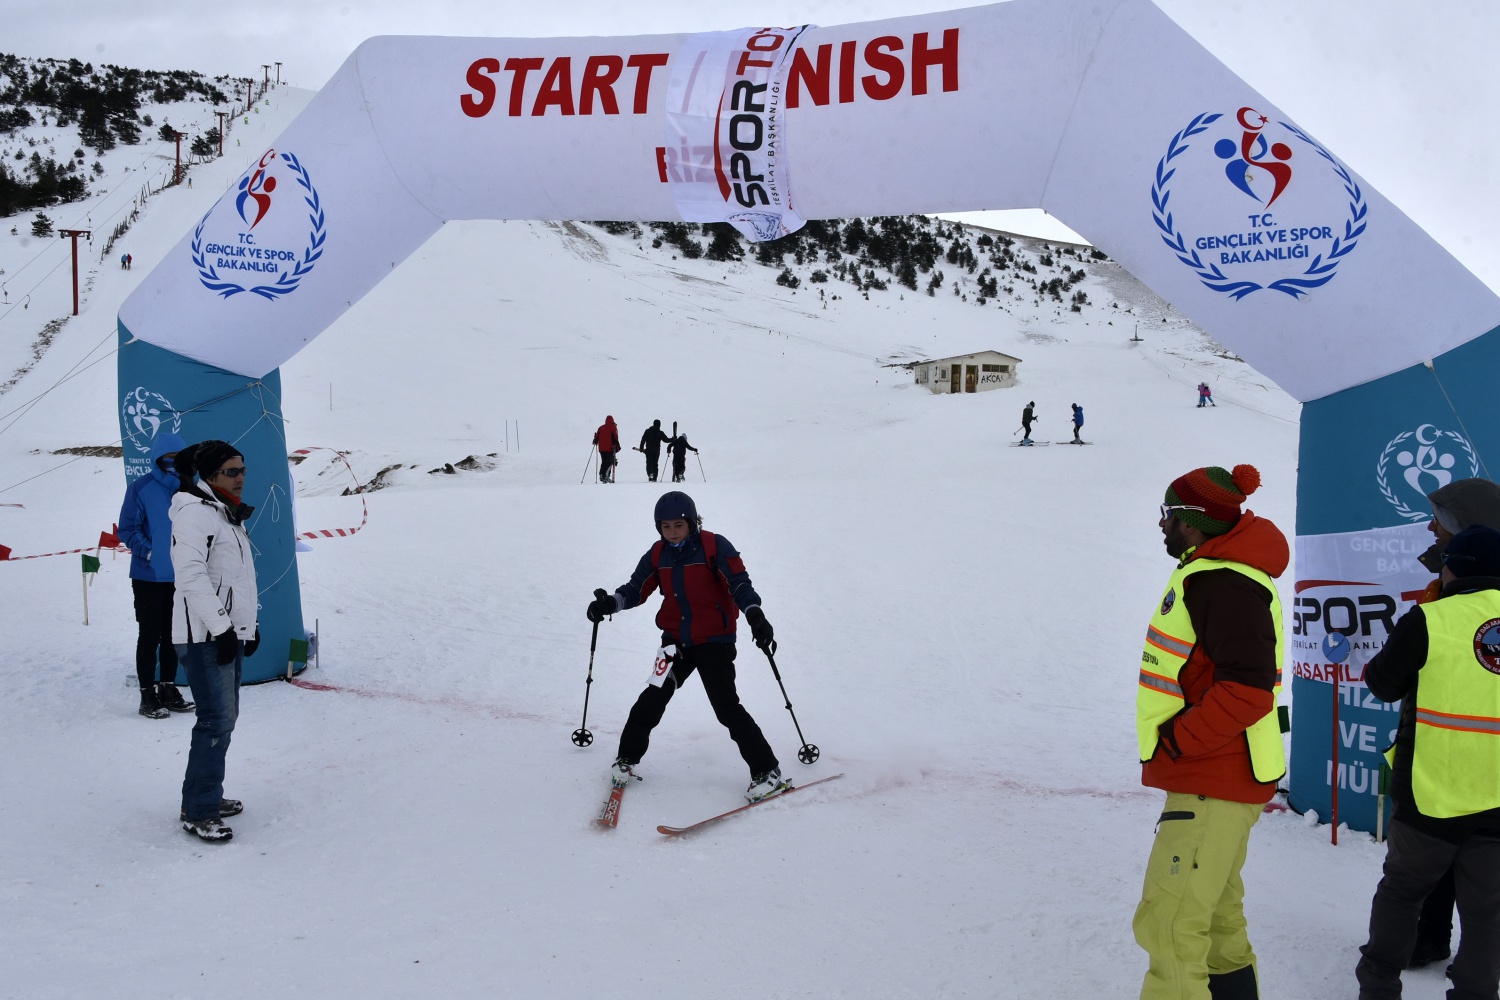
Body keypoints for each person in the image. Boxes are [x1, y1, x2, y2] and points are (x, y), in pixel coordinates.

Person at [1135, 464, 1287, 1000]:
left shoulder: (1222, 580)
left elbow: (1247, 689)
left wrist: (1179, 742)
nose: (1162, 526)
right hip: (1219, 778)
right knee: (1218, 923)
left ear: (1194, 522)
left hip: (1212, 777)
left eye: (1169, 515)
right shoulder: (1218, 574)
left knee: (1172, 925)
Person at [1354, 524, 1500, 1000]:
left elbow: (1381, 683)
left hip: (1429, 793)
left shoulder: (1431, 619)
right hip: (1497, 801)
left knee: (1400, 894)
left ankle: (1378, 988)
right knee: (1488, 913)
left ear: (1454, 567)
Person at [585, 491, 786, 802]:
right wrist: (611, 603)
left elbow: (740, 584)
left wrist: (755, 614)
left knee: (726, 708)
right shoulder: (657, 555)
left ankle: (767, 771)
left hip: (714, 641)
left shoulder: (714, 546)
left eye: (678, 525)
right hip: (674, 641)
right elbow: (636, 588)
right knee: (652, 698)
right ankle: (626, 758)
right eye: (665, 527)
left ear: (692, 523)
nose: (672, 532)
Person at [1405, 477, 1500, 968]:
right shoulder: (1448, 573)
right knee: (1438, 852)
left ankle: (1472, 964)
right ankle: (1430, 937)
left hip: (1480, 759)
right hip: (1442, 749)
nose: (1430, 528)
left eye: (1441, 522)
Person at [170, 440, 261, 843]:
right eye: (231, 471)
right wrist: (223, 629)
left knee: (224, 721)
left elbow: (236, 579)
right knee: (215, 720)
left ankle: (205, 794)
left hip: (224, 632)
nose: (240, 478)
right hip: (202, 635)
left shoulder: (225, 514)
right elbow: (192, 578)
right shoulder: (194, 514)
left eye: (243, 469)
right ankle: (199, 809)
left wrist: (247, 626)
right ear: (209, 475)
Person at [118, 431, 192, 719]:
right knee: (149, 636)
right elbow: (127, 529)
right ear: (157, 460)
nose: (172, 464)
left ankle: (168, 688)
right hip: (148, 576)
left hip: (181, 576)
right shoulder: (141, 488)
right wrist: (150, 552)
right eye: (167, 459)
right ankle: (147, 694)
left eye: (177, 459)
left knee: (174, 635)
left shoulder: (191, 488)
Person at [593, 415, 621, 483]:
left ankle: (602, 475)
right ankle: (606, 475)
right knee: (609, 462)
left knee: (604, 461)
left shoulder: (601, 428)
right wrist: (617, 447)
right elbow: (615, 437)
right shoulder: (613, 427)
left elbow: (596, 438)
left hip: (601, 449)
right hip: (609, 448)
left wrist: (595, 441)